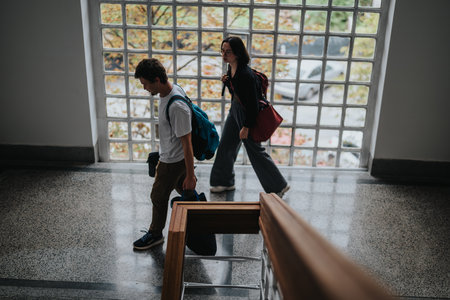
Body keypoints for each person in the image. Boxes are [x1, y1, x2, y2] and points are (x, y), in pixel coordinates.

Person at [210, 36, 290, 197]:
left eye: (228, 52)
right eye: (222, 51)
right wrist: (227, 82)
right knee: (226, 144)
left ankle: (278, 186)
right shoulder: (232, 68)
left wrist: (246, 127)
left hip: (247, 115)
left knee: (254, 150)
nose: (224, 55)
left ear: (238, 53)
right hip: (235, 110)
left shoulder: (245, 74)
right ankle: (223, 181)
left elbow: (252, 105)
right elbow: (238, 93)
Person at [133, 58, 196, 250]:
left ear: (157, 79)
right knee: (186, 192)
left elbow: (187, 144)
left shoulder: (177, 107)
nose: (144, 88)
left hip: (172, 161)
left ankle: (155, 233)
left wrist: (191, 174)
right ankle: (201, 219)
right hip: (169, 155)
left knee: (158, 196)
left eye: (145, 84)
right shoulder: (168, 92)